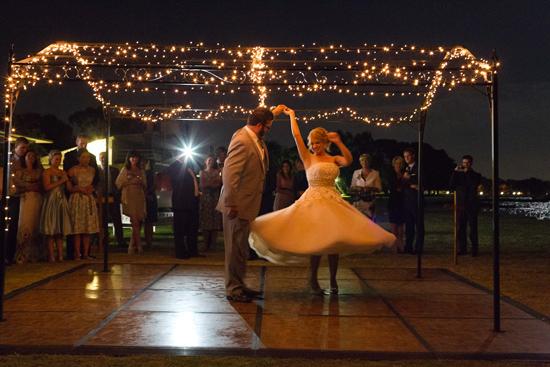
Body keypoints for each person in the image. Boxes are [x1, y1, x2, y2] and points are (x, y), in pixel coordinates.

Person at [249, 107, 395, 295]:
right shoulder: (308, 157)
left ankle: (333, 280)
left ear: (324, 142)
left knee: (334, 240)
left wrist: (340, 142)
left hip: (333, 200)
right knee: (316, 241)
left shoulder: (333, 158)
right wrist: (292, 115)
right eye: (312, 143)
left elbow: (348, 161)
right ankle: (313, 280)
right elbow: (296, 136)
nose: (314, 146)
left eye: (317, 142)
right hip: (313, 201)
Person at [216, 105, 285, 303]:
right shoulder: (242, 141)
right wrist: (231, 203)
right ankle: (233, 289)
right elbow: (230, 174)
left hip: (246, 204)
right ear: (259, 125)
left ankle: (239, 285)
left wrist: (274, 112)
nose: (268, 131)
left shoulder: (248, 134)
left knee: (241, 249)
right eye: (268, 127)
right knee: (234, 249)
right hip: (236, 206)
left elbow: (257, 118)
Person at [63, 134, 98, 259]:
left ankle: (86, 252)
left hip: (88, 196)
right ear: (77, 142)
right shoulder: (70, 159)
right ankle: (74, 253)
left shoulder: (92, 165)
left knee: (87, 228)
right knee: (76, 227)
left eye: (85, 142)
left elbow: (97, 179)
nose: (86, 159)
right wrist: (74, 187)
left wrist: (91, 188)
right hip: (76, 196)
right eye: (81, 142)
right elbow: (66, 177)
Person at [40, 150, 72, 262]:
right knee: (51, 229)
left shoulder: (62, 172)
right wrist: (61, 181)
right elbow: (47, 187)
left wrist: (66, 179)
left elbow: (68, 188)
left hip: (61, 200)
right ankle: (51, 255)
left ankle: (60, 255)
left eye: (60, 159)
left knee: (60, 230)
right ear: (51, 159)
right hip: (51, 200)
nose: (58, 161)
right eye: (56, 159)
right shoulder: (47, 172)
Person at [167, 155, 200, 259]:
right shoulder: (175, 167)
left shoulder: (188, 166)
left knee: (192, 228)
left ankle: (192, 250)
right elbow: (176, 180)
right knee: (180, 229)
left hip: (191, 201)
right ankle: (180, 252)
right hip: (181, 202)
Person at [13, 150, 43, 263]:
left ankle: (36, 254)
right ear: (24, 158)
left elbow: (43, 184)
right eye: (28, 156)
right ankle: (23, 254)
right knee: (25, 224)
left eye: (33, 156)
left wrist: (37, 187)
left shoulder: (39, 172)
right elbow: (15, 185)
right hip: (25, 199)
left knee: (36, 224)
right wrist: (27, 187)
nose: (30, 158)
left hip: (37, 198)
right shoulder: (20, 172)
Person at [449, 155, 482, 256]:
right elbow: (451, 186)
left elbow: (473, 184)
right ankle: (462, 249)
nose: (465, 165)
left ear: (471, 163)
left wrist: (466, 173)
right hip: (461, 204)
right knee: (461, 228)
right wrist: (455, 172)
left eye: (467, 163)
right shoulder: (459, 175)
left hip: (471, 204)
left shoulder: (476, 175)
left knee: (473, 228)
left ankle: (474, 249)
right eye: (464, 163)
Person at [116, 151, 147, 254]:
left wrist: (140, 182)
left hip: (139, 196)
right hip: (129, 196)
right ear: (129, 159)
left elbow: (145, 184)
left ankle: (131, 245)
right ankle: (138, 246)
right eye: (132, 158)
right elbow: (118, 183)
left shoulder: (141, 170)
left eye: (136, 158)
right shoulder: (125, 170)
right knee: (134, 221)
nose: (134, 160)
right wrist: (130, 181)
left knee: (138, 221)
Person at [5, 137, 29, 264]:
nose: (24, 150)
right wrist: (26, 185)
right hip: (11, 195)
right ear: (16, 147)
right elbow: (13, 179)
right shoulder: (10, 160)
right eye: (22, 148)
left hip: (21, 197)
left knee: (15, 227)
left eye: (26, 148)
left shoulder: (26, 160)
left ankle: (11, 255)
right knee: (9, 226)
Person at [97, 152, 125, 248]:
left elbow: (118, 184)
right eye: (102, 158)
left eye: (105, 157)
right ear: (99, 159)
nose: (104, 159)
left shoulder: (114, 170)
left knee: (117, 220)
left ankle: (120, 241)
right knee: (102, 220)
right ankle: (104, 240)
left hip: (113, 197)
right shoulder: (97, 170)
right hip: (101, 198)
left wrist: (116, 194)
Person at [402, 148, 424, 254]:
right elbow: (403, 184)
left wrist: (409, 180)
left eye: (408, 156)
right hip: (407, 201)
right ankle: (408, 246)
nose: (406, 158)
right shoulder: (406, 168)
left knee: (418, 225)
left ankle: (418, 247)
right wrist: (408, 181)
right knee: (409, 225)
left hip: (417, 200)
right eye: (405, 156)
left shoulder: (419, 167)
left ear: (413, 156)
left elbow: (420, 182)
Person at [199, 156, 222, 251]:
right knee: (206, 221)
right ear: (205, 161)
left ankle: (213, 244)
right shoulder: (202, 172)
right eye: (208, 160)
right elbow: (203, 185)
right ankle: (205, 244)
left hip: (215, 199)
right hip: (206, 199)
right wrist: (212, 182)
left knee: (215, 221)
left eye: (212, 160)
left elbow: (218, 183)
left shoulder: (217, 172)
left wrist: (210, 182)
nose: (210, 161)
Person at [350, 153, 382, 219]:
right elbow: (352, 187)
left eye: (366, 160)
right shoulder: (356, 172)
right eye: (362, 160)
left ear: (370, 162)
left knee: (369, 224)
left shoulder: (375, 173)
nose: (364, 162)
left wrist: (369, 189)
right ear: (360, 162)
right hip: (357, 203)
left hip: (369, 203)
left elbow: (379, 189)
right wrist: (357, 188)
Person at [388, 156, 406, 253]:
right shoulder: (391, 174)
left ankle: (401, 246)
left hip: (402, 202)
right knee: (394, 227)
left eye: (400, 163)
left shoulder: (404, 173)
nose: (398, 165)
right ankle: (394, 247)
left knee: (401, 228)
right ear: (394, 164)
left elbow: (402, 187)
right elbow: (394, 187)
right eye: (396, 163)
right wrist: (402, 181)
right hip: (393, 202)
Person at [143, 158, 158, 248]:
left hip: (150, 198)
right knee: (148, 221)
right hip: (148, 197)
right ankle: (148, 241)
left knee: (149, 221)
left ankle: (149, 241)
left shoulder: (151, 174)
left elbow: (155, 185)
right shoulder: (147, 173)